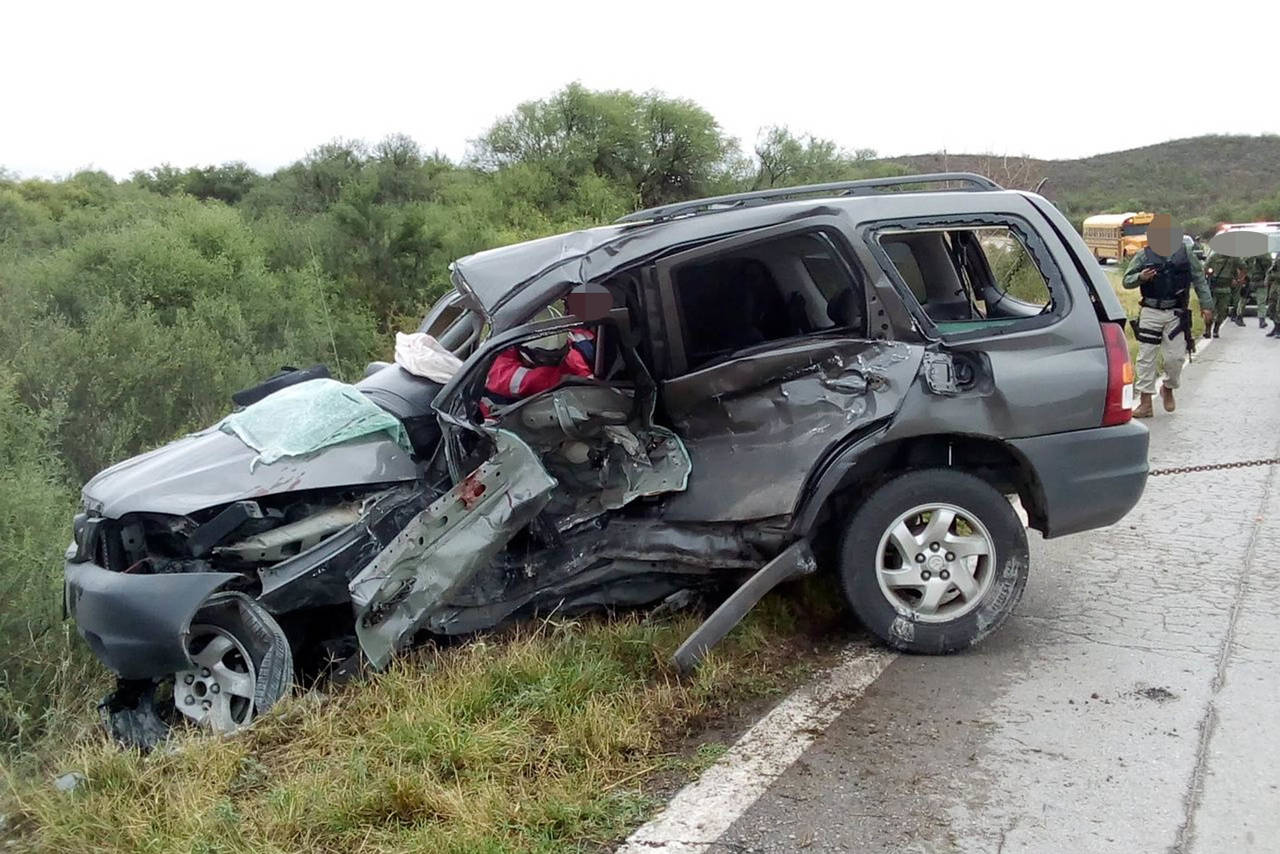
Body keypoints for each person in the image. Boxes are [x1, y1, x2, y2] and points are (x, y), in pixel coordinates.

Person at [1122, 214, 1211, 418]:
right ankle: (1145, 402)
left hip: (1175, 314)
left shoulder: (1186, 253)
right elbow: (1127, 281)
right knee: (1146, 358)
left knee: (1175, 358)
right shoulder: (1144, 255)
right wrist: (1141, 277)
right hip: (1151, 311)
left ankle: (1168, 388)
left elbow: (1199, 280)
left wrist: (1207, 306)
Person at [480, 306, 596, 415]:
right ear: (522, 348)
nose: (552, 363)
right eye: (545, 358)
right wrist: (565, 380)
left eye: (558, 356)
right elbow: (530, 382)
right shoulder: (496, 363)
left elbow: (589, 382)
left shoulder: (572, 345)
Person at [1204, 251, 1247, 338]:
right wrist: (1209, 274)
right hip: (1213, 287)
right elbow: (1205, 267)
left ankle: (1216, 329)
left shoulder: (1234, 258)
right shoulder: (1214, 256)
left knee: (1223, 311)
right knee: (1209, 310)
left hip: (1226, 288)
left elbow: (1244, 267)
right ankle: (1207, 330)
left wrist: (1239, 279)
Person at [1232, 254, 1272, 328]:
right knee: (1244, 300)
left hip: (1260, 281)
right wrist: (1241, 278)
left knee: (1261, 301)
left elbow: (1269, 267)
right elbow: (1241, 266)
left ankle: (1261, 320)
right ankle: (1239, 316)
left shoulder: (1265, 255)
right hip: (1249, 281)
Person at [1266, 256, 1280, 339]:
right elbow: (1269, 271)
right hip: (1274, 285)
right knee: (1272, 307)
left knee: (1279, 308)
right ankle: (1276, 327)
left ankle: (1278, 329)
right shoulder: (1277, 259)